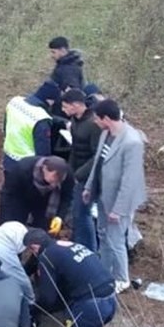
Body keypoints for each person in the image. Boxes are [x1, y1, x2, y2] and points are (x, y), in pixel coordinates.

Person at [83, 99, 147, 294]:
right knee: (103, 235)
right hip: (103, 196)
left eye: (97, 118)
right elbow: (98, 163)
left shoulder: (132, 142)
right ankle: (104, 271)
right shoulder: (106, 134)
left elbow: (130, 181)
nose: (94, 122)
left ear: (107, 119)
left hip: (120, 201)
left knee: (116, 240)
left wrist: (119, 209)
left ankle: (122, 279)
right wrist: (88, 187)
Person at [61, 89, 102, 250]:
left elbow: (97, 156)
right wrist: (70, 170)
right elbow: (75, 149)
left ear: (77, 105)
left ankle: (89, 249)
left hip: (90, 177)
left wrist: (79, 174)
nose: (63, 110)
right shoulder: (75, 121)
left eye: (66, 107)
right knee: (78, 214)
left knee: (82, 214)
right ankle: (81, 243)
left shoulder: (93, 125)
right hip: (78, 173)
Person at [0, 155, 74, 230]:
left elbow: (66, 196)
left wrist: (59, 216)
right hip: (21, 197)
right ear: (44, 168)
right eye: (54, 177)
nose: (55, 184)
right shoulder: (22, 169)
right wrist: (6, 219)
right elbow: (8, 195)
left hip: (47, 202)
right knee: (14, 226)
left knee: (43, 229)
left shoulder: (67, 175)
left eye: (59, 180)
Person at [1, 88, 55, 173]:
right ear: (50, 101)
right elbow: (43, 152)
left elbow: (5, 126)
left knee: (9, 184)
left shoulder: (15, 102)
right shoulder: (41, 118)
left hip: (9, 157)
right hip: (28, 165)